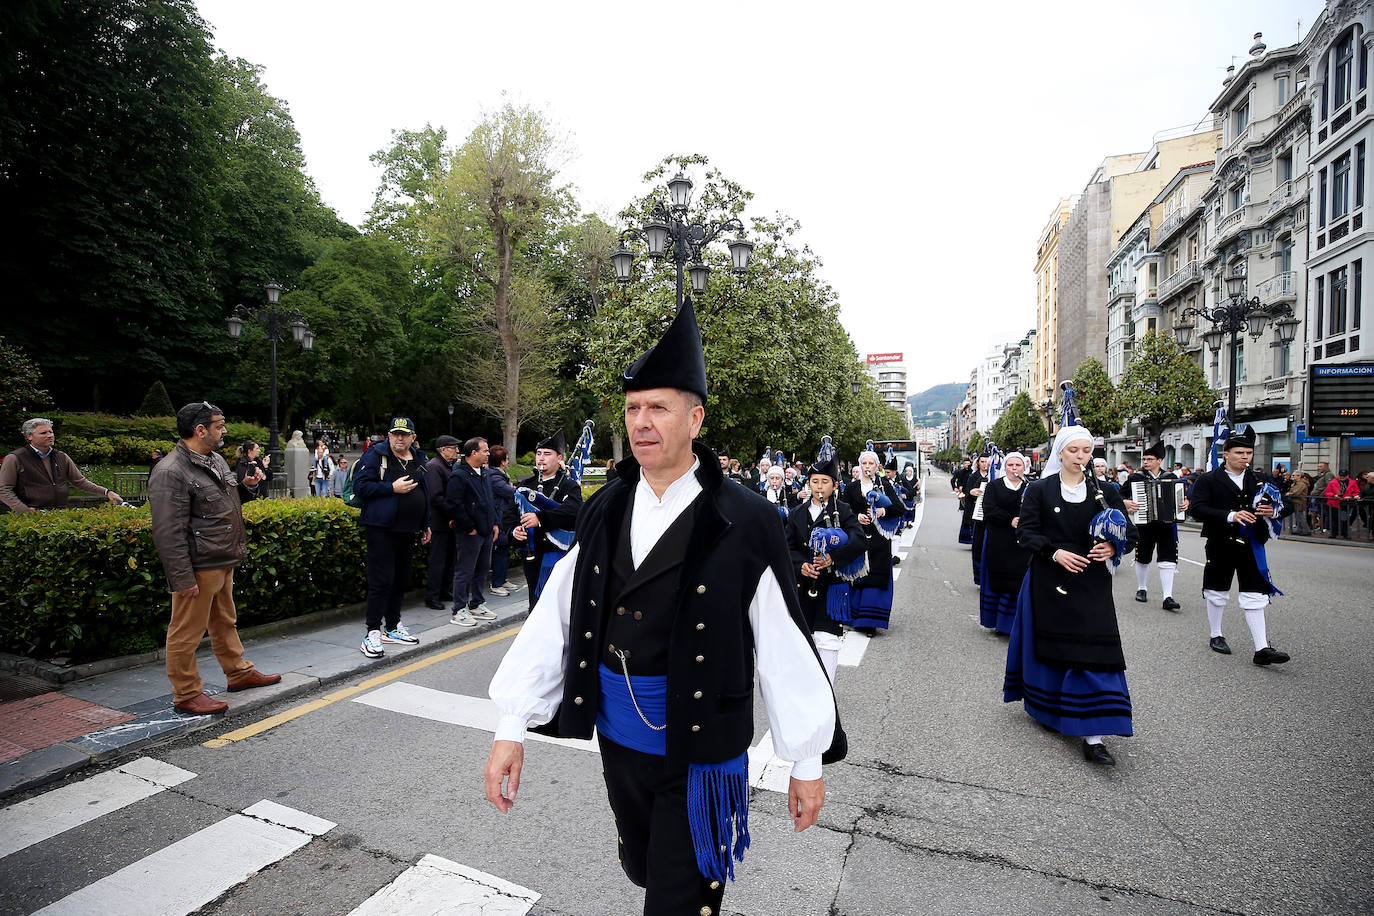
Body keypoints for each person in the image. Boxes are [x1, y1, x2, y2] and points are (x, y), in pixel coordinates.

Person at [484, 300, 844, 916]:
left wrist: (805, 760)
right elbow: (559, 618)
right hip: (619, 740)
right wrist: (510, 726)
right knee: (647, 869)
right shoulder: (604, 506)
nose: (641, 422)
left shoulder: (746, 518)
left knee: (680, 900)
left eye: (658, 408)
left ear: (696, 418)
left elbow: (786, 643)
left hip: (703, 751)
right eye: (632, 409)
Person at [1004, 424, 1137, 766]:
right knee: (1054, 649)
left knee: (1095, 653)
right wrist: (1055, 552)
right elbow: (1027, 534)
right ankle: (1049, 710)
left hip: (1091, 582)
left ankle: (1094, 736)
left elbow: (1129, 532)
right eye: (1074, 451)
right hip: (1049, 579)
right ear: (1060, 453)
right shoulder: (1040, 490)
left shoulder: (1105, 489)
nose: (1081, 457)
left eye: (1087, 451)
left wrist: (1113, 546)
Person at [146, 402, 281, 714]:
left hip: (221, 558)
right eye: (219, 426)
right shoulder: (170, 471)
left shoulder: (214, 458)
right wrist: (181, 578)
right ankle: (186, 693)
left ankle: (239, 672)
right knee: (186, 632)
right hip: (199, 565)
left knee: (224, 621)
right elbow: (168, 532)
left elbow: (222, 500)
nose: (225, 431)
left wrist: (247, 488)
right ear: (200, 430)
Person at [1186, 426, 1291, 666]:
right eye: (1240, 452)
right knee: (1217, 591)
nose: (1245, 457)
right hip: (1220, 542)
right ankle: (1216, 634)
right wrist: (1231, 516)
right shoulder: (1209, 479)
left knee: (1255, 593)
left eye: (1249, 453)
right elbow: (1197, 509)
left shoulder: (1260, 479)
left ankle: (1262, 648)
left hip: (1252, 544)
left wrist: (1274, 510)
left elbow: (1287, 504)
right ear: (1227, 454)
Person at [352, 417, 430, 658]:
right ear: (389, 435)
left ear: (413, 437)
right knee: (381, 580)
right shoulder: (377, 455)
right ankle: (372, 631)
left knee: (401, 579)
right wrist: (391, 488)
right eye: (395, 433)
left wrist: (425, 523)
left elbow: (424, 490)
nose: (399, 438)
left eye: (404, 434)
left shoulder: (418, 458)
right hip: (381, 528)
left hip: (407, 530)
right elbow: (360, 487)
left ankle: (393, 626)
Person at [786, 452, 865, 683]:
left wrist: (833, 559)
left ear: (835, 485)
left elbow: (859, 540)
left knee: (828, 638)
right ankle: (804, 686)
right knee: (802, 638)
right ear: (808, 483)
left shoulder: (843, 510)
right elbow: (785, 547)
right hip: (803, 586)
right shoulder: (797, 513)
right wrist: (800, 566)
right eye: (814, 481)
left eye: (824, 482)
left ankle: (826, 690)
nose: (819, 486)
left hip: (832, 587)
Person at [513, 429, 582, 608]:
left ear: (559, 458)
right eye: (538, 453)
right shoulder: (525, 486)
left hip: (558, 555)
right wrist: (514, 531)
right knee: (535, 605)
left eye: (547, 454)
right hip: (532, 556)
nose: (541, 458)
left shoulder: (569, 486)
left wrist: (541, 518)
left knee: (558, 607)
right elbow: (510, 514)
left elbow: (573, 512)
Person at [0, 417, 124, 512]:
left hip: (60, 515)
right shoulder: (15, 458)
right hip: (30, 518)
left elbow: (80, 482)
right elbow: (3, 489)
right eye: (43, 433)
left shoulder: (61, 457)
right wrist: (24, 510)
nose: (49, 435)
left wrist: (107, 492)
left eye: (51, 432)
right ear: (29, 436)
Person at [843, 449, 901, 636]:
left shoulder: (884, 485)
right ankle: (854, 617)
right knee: (857, 576)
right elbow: (843, 511)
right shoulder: (852, 487)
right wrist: (856, 516)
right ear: (860, 466)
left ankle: (870, 622)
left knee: (875, 576)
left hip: (879, 540)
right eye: (864, 464)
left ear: (877, 467)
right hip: (858, 538)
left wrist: (883, 512)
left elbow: (899, 508)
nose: (867, 467)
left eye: (871, 464)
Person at [1123, 441, 1186, 611]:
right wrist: (1126, 502)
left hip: (1167, 525)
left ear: (1159, 460)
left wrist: (1185, 503)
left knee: (1168, 559)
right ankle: (1142, 588)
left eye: (1149, 459)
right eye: (1144, 459)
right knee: (1143, 556)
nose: (1145, 462)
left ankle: (1168, 596)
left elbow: (1181, 498)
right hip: (1144, 525)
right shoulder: (1135, 478)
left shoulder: (1172, 478)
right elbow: (1119, 497)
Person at [446, 437, 499, 627]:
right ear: (473, 453)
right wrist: (469, 527)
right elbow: (453, 505)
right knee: (465, 570)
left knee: (483, 567)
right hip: (470, 532)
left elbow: (489, 500)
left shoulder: (484, 472)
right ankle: (459, 609)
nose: (488, 454)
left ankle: (476, 603)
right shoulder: (459, 475)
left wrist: (494, 523)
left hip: (486, 530)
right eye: (485, 450)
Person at [978, 452, 1030, 635]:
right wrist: (1010, 519)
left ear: (1024, 467)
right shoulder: (994, 486)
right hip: (999, 539)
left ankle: (1018, 623)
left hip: (1023, 542)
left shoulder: (1030, 487)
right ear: (1004, 467)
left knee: (1020, 580)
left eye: (1018, 465)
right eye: (1010, 465)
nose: (1014, 469)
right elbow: (989, 509)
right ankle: (1000, 623)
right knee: (1000, 579)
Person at [423, 435, 462, 610]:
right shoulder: (434, 466)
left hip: (450, 521)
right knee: (438, 560)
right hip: (440, 522)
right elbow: (436, 497)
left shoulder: (448, 466)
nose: (457, 451)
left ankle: (445, 591)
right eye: (453, 448)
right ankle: (432, 596)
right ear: (443, 449)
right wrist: (455, 510)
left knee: (450, 559)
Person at [486, 445, 521, 598]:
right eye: (506, 458)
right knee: (501, 549)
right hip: (498, 518)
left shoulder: (499, 474)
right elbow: (511, 492)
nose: (507, 461)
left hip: (502, 517)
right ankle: (497, 584)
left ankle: (502, 579)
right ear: (501, 461)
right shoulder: (494, 477)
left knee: (504, 549)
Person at [962, 454, 991, 581]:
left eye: (987, 462)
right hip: (977, 514)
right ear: (978, 463)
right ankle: (979, 576)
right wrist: (971, 492)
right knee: (978, 545)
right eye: (982, 462)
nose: (985, 464)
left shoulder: (994, 476)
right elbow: (967, 493)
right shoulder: (973, 476)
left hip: (990, 516)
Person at [1323, 469, 1360, 539]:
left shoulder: (1352, 483)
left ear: (1347, 476)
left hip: (1346, 503)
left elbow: (1356, 492)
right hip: (1334, 503)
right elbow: (1327, 492)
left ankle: (1345, 534)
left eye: (1344, 476)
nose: (1342, 477)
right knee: (1334, 519)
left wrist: (1352, 496)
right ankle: (1334, 534)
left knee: (1345, 519)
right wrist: (1334, 495)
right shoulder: (1332, 482)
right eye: (1341, 476)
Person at [1311, 461, 1335, 534]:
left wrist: (1322, 495)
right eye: (1318, 466)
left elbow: (1329, 486)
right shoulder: (1322, 475)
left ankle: (1326, 527)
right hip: (1319, 497)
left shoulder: (1328, 474)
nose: (1318, 468)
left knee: (1326, 513)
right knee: (1321, 513)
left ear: (1326, 467)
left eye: (1321, 466)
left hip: (1324, 498)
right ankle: (1322, 526)